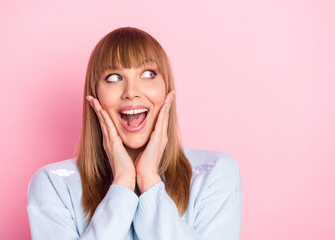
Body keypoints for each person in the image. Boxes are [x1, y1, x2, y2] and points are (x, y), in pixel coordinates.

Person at [27, 26, 242, 240]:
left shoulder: (215, 172)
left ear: (167, 88)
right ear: (95, 96)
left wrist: (149, 180)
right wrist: (123, 183)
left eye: (148, 74)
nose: (131, 92)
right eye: (113, 78)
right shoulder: (53, 185)